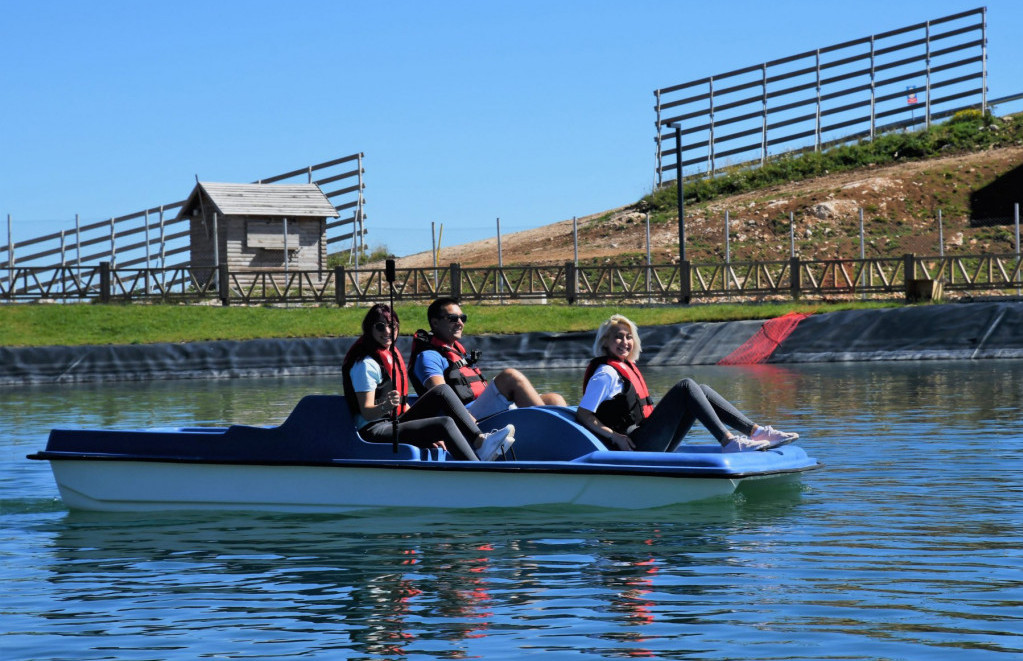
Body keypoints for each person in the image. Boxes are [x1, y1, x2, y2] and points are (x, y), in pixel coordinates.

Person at [576, 314, 799, 453]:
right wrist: (614, 436)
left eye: (628, 337)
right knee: (686, 386)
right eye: (618, 337)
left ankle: (756, 432)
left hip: (649, 440)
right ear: (605, 341)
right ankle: (729, 441)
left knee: (700, 390)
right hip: (636, 446)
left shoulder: (625, 368)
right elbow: (584, 414)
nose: (625, 342)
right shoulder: (605, 373)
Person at [342, 303, 515, 461]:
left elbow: (402, 406)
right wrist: (387, 405)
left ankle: (480, 441)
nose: (387, 331)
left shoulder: (390, 356)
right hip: (375, 430)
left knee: (442, 391)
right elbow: (367, 413)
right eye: (380, 326)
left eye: (392, 326)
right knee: (444, 423)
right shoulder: (365, 364)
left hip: (394, 422)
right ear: (369, 329)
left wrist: (424, 430)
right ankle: (477, 471)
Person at [409, 297, 567, 419]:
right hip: (467, 417)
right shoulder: (428, 357)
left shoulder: (455, 350)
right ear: (435, 323)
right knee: (510, 377)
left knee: (554, 399)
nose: (459, 323)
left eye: (462, 318)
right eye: (452, 318)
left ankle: (566, 438)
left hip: (483, 409)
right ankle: (545, 429)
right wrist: (467, 421)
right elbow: (440, 395)